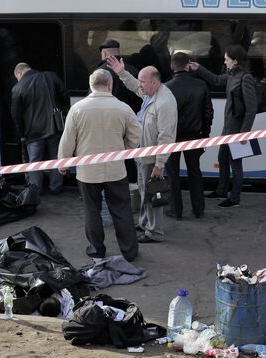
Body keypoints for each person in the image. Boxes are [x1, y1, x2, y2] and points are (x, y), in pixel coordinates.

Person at [57, 69, 141, 261]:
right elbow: (136, 135)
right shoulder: (123, 108)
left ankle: (97, 250)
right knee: (121, 210)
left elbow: (68, 138)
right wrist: (125, 150)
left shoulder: (77, 109)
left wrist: (64, 162)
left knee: (91, 211)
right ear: (110, 85)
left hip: (88, 172)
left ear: (90, 85)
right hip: (116, 170)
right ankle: (129, 251)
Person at [106, 55, 178, 243]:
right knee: (145, 192)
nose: (140, 85)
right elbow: (133, 85)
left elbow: (166, 137)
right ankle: (146, 224)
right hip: (143, 155)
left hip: (152, 159)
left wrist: (160, 164)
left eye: (143, 82)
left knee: (152, 193)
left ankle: (154, 232)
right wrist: (121, 73)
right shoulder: (151, 94)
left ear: (154, 82)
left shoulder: (164, 103)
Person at [190, 44, 257, 208]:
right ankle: (221, 190)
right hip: (228, 128)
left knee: (236, 164)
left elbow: (251, 109)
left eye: (227, 59)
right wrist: (198, 68)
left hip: (237, 130)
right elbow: (216, 79)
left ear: (235, 61)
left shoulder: (245, 78)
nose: (225, 62)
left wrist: (244, 133)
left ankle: (234, 198)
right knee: (222, 158)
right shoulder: (231, 74)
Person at [164, 52, 214, 220]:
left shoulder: (166, 88)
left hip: (172, 139)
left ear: (172, 66)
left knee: (172, 174)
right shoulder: (201, 85)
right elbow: (208, 113)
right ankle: (198, 209)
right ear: (188, 65)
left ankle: (175, 210)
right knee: (195, 172)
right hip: (194, 136)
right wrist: (205, 135)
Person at [11, 62, 70, 195]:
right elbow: (64, 95)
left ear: (19, 73)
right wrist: (64, 111)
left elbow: (16, 115)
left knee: (35, 161)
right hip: (55, 126)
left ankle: (36, 189)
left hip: (32, 132)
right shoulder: (51, 76)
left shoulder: (18, 88)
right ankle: (56, 187)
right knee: (56, 157)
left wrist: (21, 134)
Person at [98, 39, 142, 183]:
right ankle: (131, 184)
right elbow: (139, 97)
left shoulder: (100, 72)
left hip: (106, 122)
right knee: (128, 153)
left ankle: (111, 184)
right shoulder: (133, 69)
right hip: (130, 118)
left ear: (104, 53)